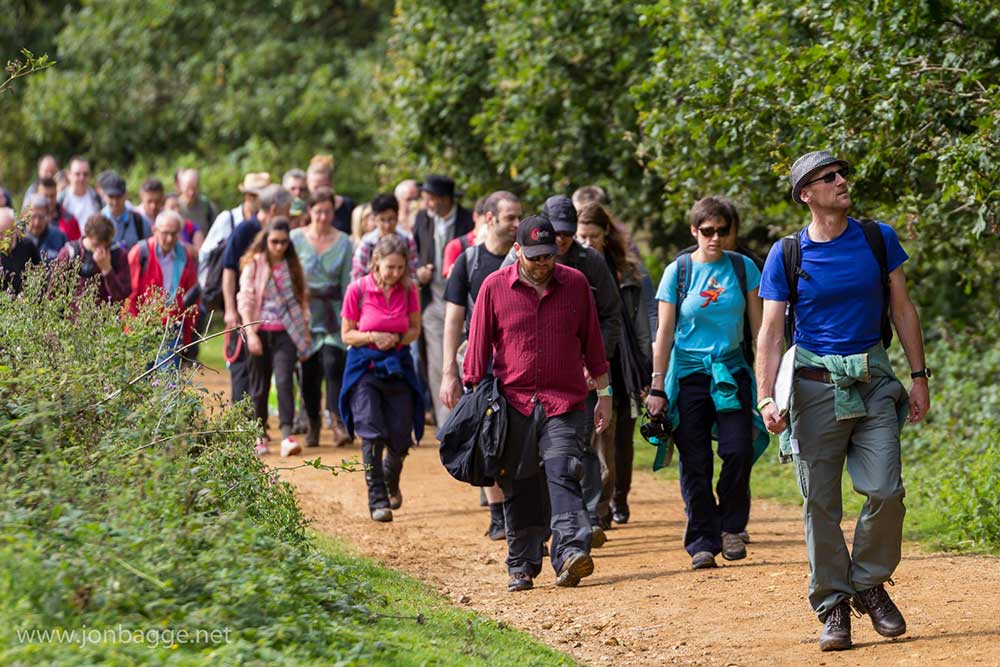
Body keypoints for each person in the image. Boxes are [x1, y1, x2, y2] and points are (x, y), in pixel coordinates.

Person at [756, 150, 930, 651]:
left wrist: (918, 376)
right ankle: (833, 605)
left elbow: (902, 308)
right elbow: (769, 332)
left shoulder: (878, 238)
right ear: (806, 194)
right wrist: (766, 398)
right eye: (827, 178)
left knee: (885, 490)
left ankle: (869, 582)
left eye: (842, 173)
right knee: (820, 503)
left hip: (874, 379)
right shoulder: (787, 253)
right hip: (812, 388)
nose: (841, 181)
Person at [465, 216, 611, 592]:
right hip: (512, 405)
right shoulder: (494, 288)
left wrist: (605, 395)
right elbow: (477, 353)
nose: (542, 263)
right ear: (517, 252)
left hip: (565, 402)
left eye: (547, 256)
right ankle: (522, 565)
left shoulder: (576, 284)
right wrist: (474, 405)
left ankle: (571, 553)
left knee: (563, 470)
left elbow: (593, 344)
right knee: (520, 484)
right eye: (534, 257)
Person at [646, 197, 768, 570]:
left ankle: (731, 526)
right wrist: (656, 386)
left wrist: (768, 381)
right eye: (707, 231)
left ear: (731, 232)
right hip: (687, 374)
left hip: (731, 371)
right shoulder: (678, 271)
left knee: (738, 449)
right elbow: (664, 332)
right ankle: (702, 540)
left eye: (722, 231)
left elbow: (760, 328)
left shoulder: (743, 268)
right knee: (695, 460)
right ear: (694, 231)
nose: (715, 238)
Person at [501, 195, 623, 544]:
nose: (565, 241)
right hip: (528, 384)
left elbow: (610, 317)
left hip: (582, 372)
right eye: (559, 235)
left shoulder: (590, 264)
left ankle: (586, 519)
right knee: (539, 458)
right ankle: (544, 528)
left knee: (579, 447)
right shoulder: (510, 268)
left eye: (568, 235)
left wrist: (596, 367)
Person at [440, 191, 521, 541]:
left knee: (517, 435)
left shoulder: (526, 258)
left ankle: (519, 510)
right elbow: (453, 319)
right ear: (489, 218)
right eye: (510, 218)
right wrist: (449, 371)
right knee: (487, 433)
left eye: (520, 217)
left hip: (518, 361)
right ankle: (498, 514)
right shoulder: (469, 261)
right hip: (480, 360)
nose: (517, 224)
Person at [575, 203, 652, 527]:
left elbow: (642, 321)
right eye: (583, 236)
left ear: (606, 234)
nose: (588, 242)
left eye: (594, 236)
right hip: (588, 360)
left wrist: (648, 368)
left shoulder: (627, 270)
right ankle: (598, 506)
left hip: (623, 361)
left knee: (621, 435)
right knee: (596, 432)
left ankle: (619, 495)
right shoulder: (573, 269)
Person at [340, 235, 423, 522]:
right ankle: (377, 500)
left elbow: (415, 329)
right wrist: (372, 336)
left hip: (397, 363)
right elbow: (347, 334)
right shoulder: (357, 289)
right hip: (365, 365)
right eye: (390, 267)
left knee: (401, 436)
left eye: (401, 268)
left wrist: (398, 338)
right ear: (376, 262)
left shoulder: (409, 289)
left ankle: (390, 477)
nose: (396, 273)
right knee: (371, 431)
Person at [238, 217, 312, 457]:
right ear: (266, 240)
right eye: (274, 241)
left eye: (283, 242)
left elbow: (301, 301)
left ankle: (287, 434)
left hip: (286, 333)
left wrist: (304, 332)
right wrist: (250, 332)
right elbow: (246, 299)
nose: (279, 246)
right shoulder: (255, 265)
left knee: (283, 382)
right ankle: (260, 434)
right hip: (260, 331)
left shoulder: (292, 265)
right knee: (258, 386)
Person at [291, 188, 354, 448]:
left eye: (327, 211)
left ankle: (337, 420)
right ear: (310, 212)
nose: (323, 217)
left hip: (333, 311)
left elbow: (347, 282)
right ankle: (313, 423)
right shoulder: (296, 238)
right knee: (309, 371)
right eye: (318, 211)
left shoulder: (344, 242)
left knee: (332, 363)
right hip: (304, 312)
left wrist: (348, 316)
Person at [412, 174, 475, 427]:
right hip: (433, 300)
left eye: (430, 198)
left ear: (445, 199)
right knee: (439, 365)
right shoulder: (421, 219)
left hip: (465, 302)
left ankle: (469, 422)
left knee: (467, 363)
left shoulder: (468, 219)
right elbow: (414, 250)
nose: (426, 202)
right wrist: (419, 272)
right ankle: (447, 427)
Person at [222, 183, 291, 405]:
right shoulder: (245, 230)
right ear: (273, 209)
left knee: (261, 373)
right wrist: (231, 311)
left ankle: (257, 426)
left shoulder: (276, 234)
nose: (288, 216)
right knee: (242, 369)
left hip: (266, 317)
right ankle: (239, 425)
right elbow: (229, 270)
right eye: (286, 210)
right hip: (243, 310)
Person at [126, 210, 199, 365]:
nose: (170, 238)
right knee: (140, 381)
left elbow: (192, 295)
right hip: (142, 326)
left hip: (171, 327)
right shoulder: (140, 253)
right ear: (155, 230)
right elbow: (129, 294)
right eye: (165, 233)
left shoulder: (184, 255)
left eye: (174, 234)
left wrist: (187, 334)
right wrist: (130, 330)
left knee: (167, 382)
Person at [198, 172, 269, 290]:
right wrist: (205, 286)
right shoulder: (228, 218)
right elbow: (206, 253)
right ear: (248, 196)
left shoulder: (264, 223)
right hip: (223, 288)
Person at [55, 214, 131, 305]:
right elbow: (54, 294)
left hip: (107, 317)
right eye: (97, 244)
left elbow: (122, 297)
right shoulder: (69, 254)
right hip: (74, 317)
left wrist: (107, 270)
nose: (101, 249)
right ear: (87, 235)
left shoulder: (118, 254)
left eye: (106, 245)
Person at [351, 194, 419, 281]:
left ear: (397, 216)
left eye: (391, 219)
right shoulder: (368, 242)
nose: (387, 225)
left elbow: (413, 273)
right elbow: (358, 274)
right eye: (382, 220)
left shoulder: (407, 240)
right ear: (375, 219)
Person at [98, 172, 151, 252]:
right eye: (111, 196)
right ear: (104, 196)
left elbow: (150, 250)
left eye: (118, 196)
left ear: (126, 195)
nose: (115, 202)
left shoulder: (139, 221)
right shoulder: (97, 222)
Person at [441, 195, 488, 279]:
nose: (489, 226)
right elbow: (451, 282)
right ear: (475, 216)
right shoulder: (456, 246)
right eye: (487, 221)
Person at [307, 154, 354, 234]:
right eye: (316, 187)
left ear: (331, 183)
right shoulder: (303, 208)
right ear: (308, 184)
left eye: (323, 186)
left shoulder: (348, 206)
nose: (320, 191)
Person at [0, 207, 40, 295]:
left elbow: (40, 274)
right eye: (0, 233)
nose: (4, 237)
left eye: (7, 232)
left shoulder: (27, 246)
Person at [58, 157, 103, 227]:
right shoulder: (60, 200)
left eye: (85, 174)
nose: (82, 178)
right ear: (69, 175)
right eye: (77, 174)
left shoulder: (97, 199)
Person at [24, 194, 68, 263]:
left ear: (49, 217)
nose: (37, 223)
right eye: (33, 217)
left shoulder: (59, 237)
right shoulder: (16, 238)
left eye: (41, 217)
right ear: (25, 216)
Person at [37, 176, 81, 241]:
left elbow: (77, 246)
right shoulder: (29, 220)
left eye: (52, 196)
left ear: (57, 194)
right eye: (45, 196)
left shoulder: (69, 220)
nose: (49, 200)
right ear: (37, 195)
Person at [174, 168, 217, 234]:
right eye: (188, 188)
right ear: (181, 187)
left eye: (195, 188)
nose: (191, 193)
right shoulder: (174, 206)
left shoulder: (208, 207)